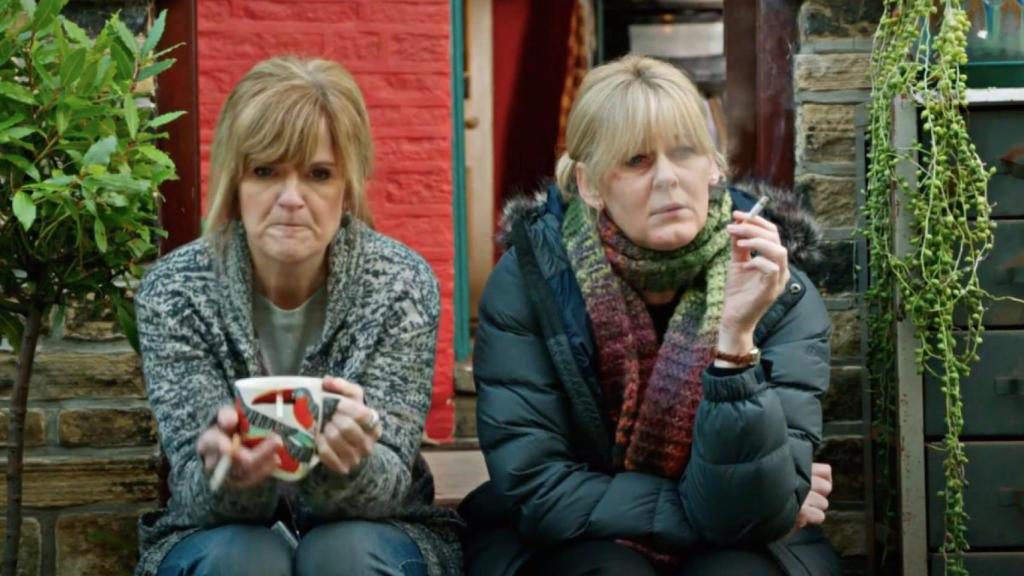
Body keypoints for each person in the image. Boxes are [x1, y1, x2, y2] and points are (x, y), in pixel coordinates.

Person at [460, 55, 841, 576]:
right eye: (637, 160)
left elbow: (752, 512)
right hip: (571, 544)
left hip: (738, 551)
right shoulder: (532, 284)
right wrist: (720, 511)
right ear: (590, 185)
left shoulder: (776, 287)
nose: (667, 179)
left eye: (684, 152)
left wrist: (735, 344)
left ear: (713, 166)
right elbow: (540, 490)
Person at [134, 56, 462, 576]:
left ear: (347, 187)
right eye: (266, 171)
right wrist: (231, 477)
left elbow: (392, 481)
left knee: (344, 555)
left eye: (318, 174)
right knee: (242, 558)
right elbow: (194, 492)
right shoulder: (175, 291)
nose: (291, 199)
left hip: (377, 530)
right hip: (215, 536)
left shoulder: (400, 283)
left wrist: (347, 466)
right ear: (235, 182)